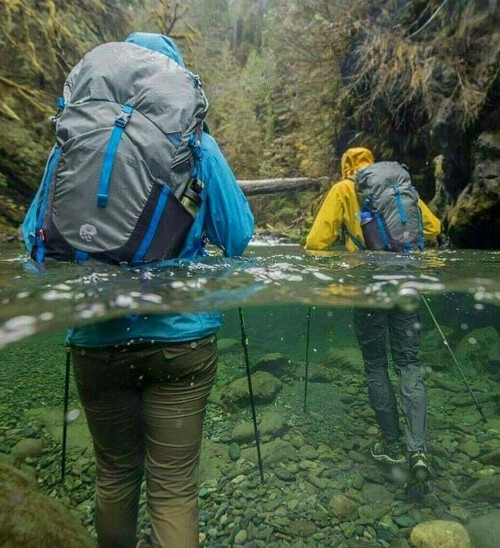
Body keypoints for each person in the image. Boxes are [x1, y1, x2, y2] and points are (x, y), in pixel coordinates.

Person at [23, 33, 254, 548]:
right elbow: (238, 235)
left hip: (96, 341)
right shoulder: (195, 143)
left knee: (115, 478)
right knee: (173, 491)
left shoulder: (73, 140)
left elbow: (32, 239)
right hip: (181, 341)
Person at [305, 147, 441, 491]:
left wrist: (345, 255)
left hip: (368, 288)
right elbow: (433, 226)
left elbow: (315, 242)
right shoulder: (397, 187)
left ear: (346, 167)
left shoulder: (343, 190)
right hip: (407, 282)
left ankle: (392, 446)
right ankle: (418, 451)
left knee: (376, 364)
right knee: (409, 363)